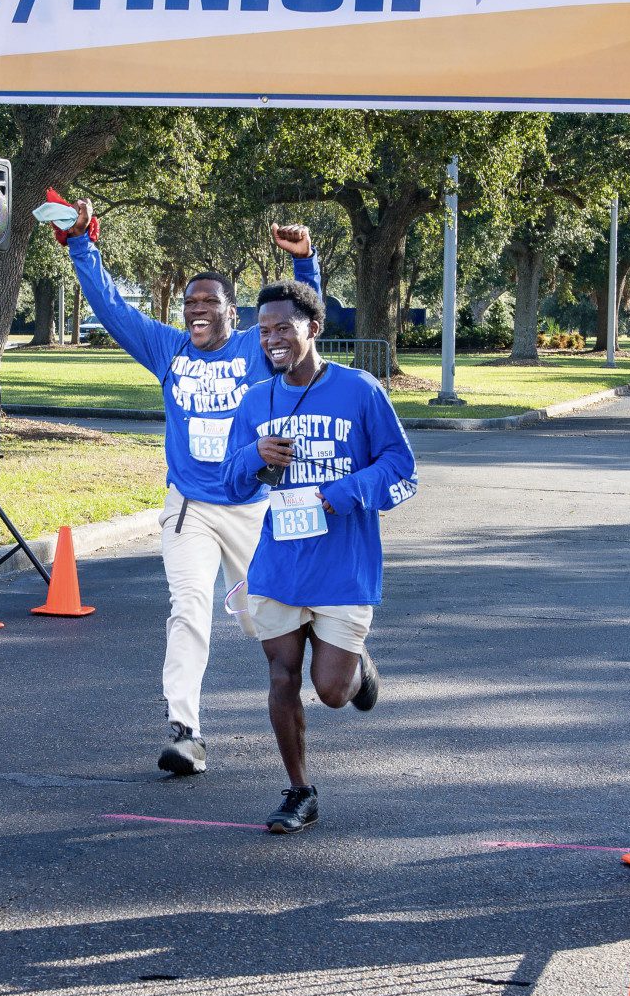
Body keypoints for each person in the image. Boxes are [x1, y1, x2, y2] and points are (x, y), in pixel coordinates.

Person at [58, 198, 321, 776]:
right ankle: (186, 731)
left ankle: (348, 661)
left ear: (232, 312)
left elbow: (302, 319)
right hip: (190, 510)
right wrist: (82, 243)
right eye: (189, 303)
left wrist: (305, 263)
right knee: (189, 610)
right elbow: (112, 307)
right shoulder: (168, 350)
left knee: (264, 617)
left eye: (209, 301)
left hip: (252, 509)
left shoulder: (256, 348)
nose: (197, 309)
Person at [220, 280, 417, 833]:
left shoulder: (359, 391)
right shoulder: (257, 401)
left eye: (284, 328)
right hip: (279, 566)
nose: (273, 340)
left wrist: (345, 491)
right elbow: (232, 486)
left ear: (314, 327)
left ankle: (357, 670)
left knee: (331, 691)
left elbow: (402, 469)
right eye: (264, 332)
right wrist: (253, 457)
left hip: (344, 568)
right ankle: (299, 790)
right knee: (282, 676)